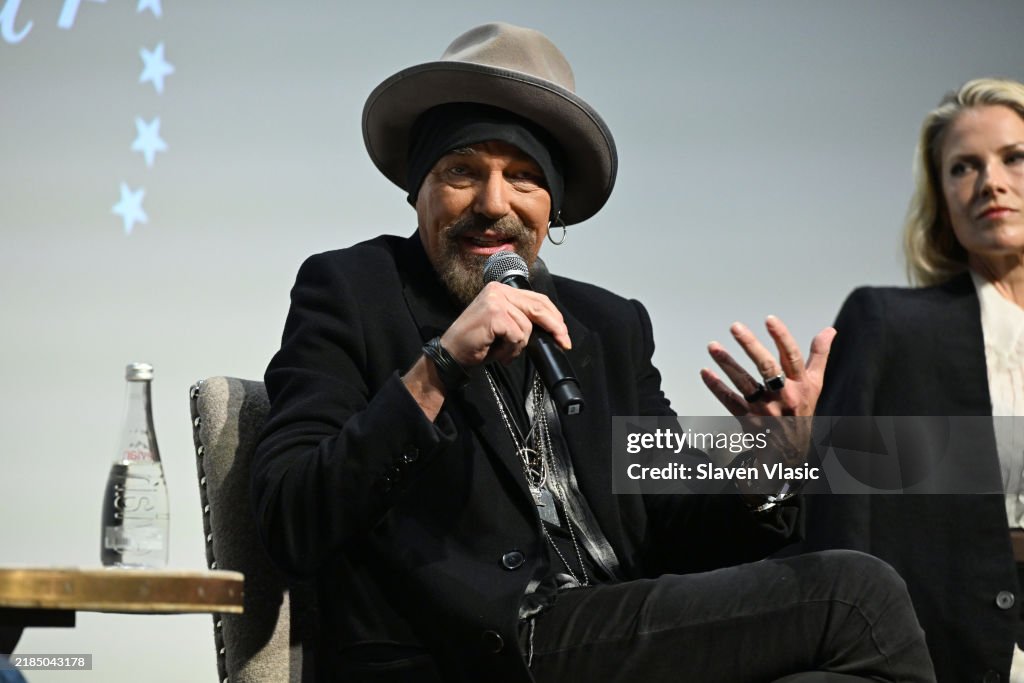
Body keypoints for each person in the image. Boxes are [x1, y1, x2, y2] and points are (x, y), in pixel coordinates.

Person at [251, 22, 936, 682]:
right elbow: (291, 517)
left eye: (523, 177)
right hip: (476, 649)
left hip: (609, 629)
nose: (494, 203)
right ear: (418, 189)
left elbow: (670, 518)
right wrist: (439, 366)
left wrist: (770, 467)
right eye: (462, 169)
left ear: (554, 208)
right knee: (856, 595)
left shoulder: (609, 325)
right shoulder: (353, 290)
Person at [794, 77, 1024, 683]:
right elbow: (841, 533)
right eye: (963, 168)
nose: (991, 183)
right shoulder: (889, 325)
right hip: (945, 654)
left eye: (1015, 158)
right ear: (942, 196)